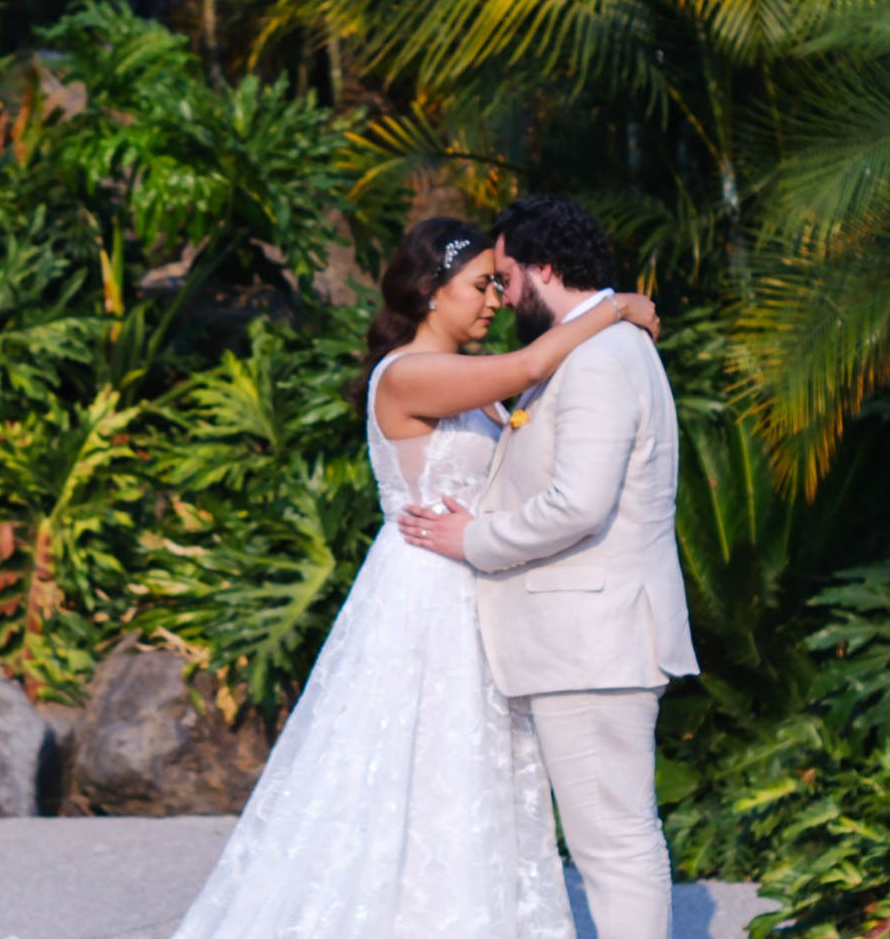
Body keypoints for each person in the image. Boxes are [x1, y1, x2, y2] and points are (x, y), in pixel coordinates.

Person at [171, 215, 658, 938]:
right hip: (424, 600)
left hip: (478, 593)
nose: (495, 299)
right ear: (432, 290)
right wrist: (614, 306)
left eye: (500, 283)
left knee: (472, 785)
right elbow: (530, 367)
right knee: (420, 776)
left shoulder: (469, 381)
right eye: (480, 284)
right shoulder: (407, 372)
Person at [402, 195, 699, 939]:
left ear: (543, 268)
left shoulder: (599, 357)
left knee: (614, 841)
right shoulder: (594, 346)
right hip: (583, 640)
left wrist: (474, 539)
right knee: (614, 835)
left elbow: (576, 504)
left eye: (505, 277)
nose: (502, 298)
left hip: (593, 641)